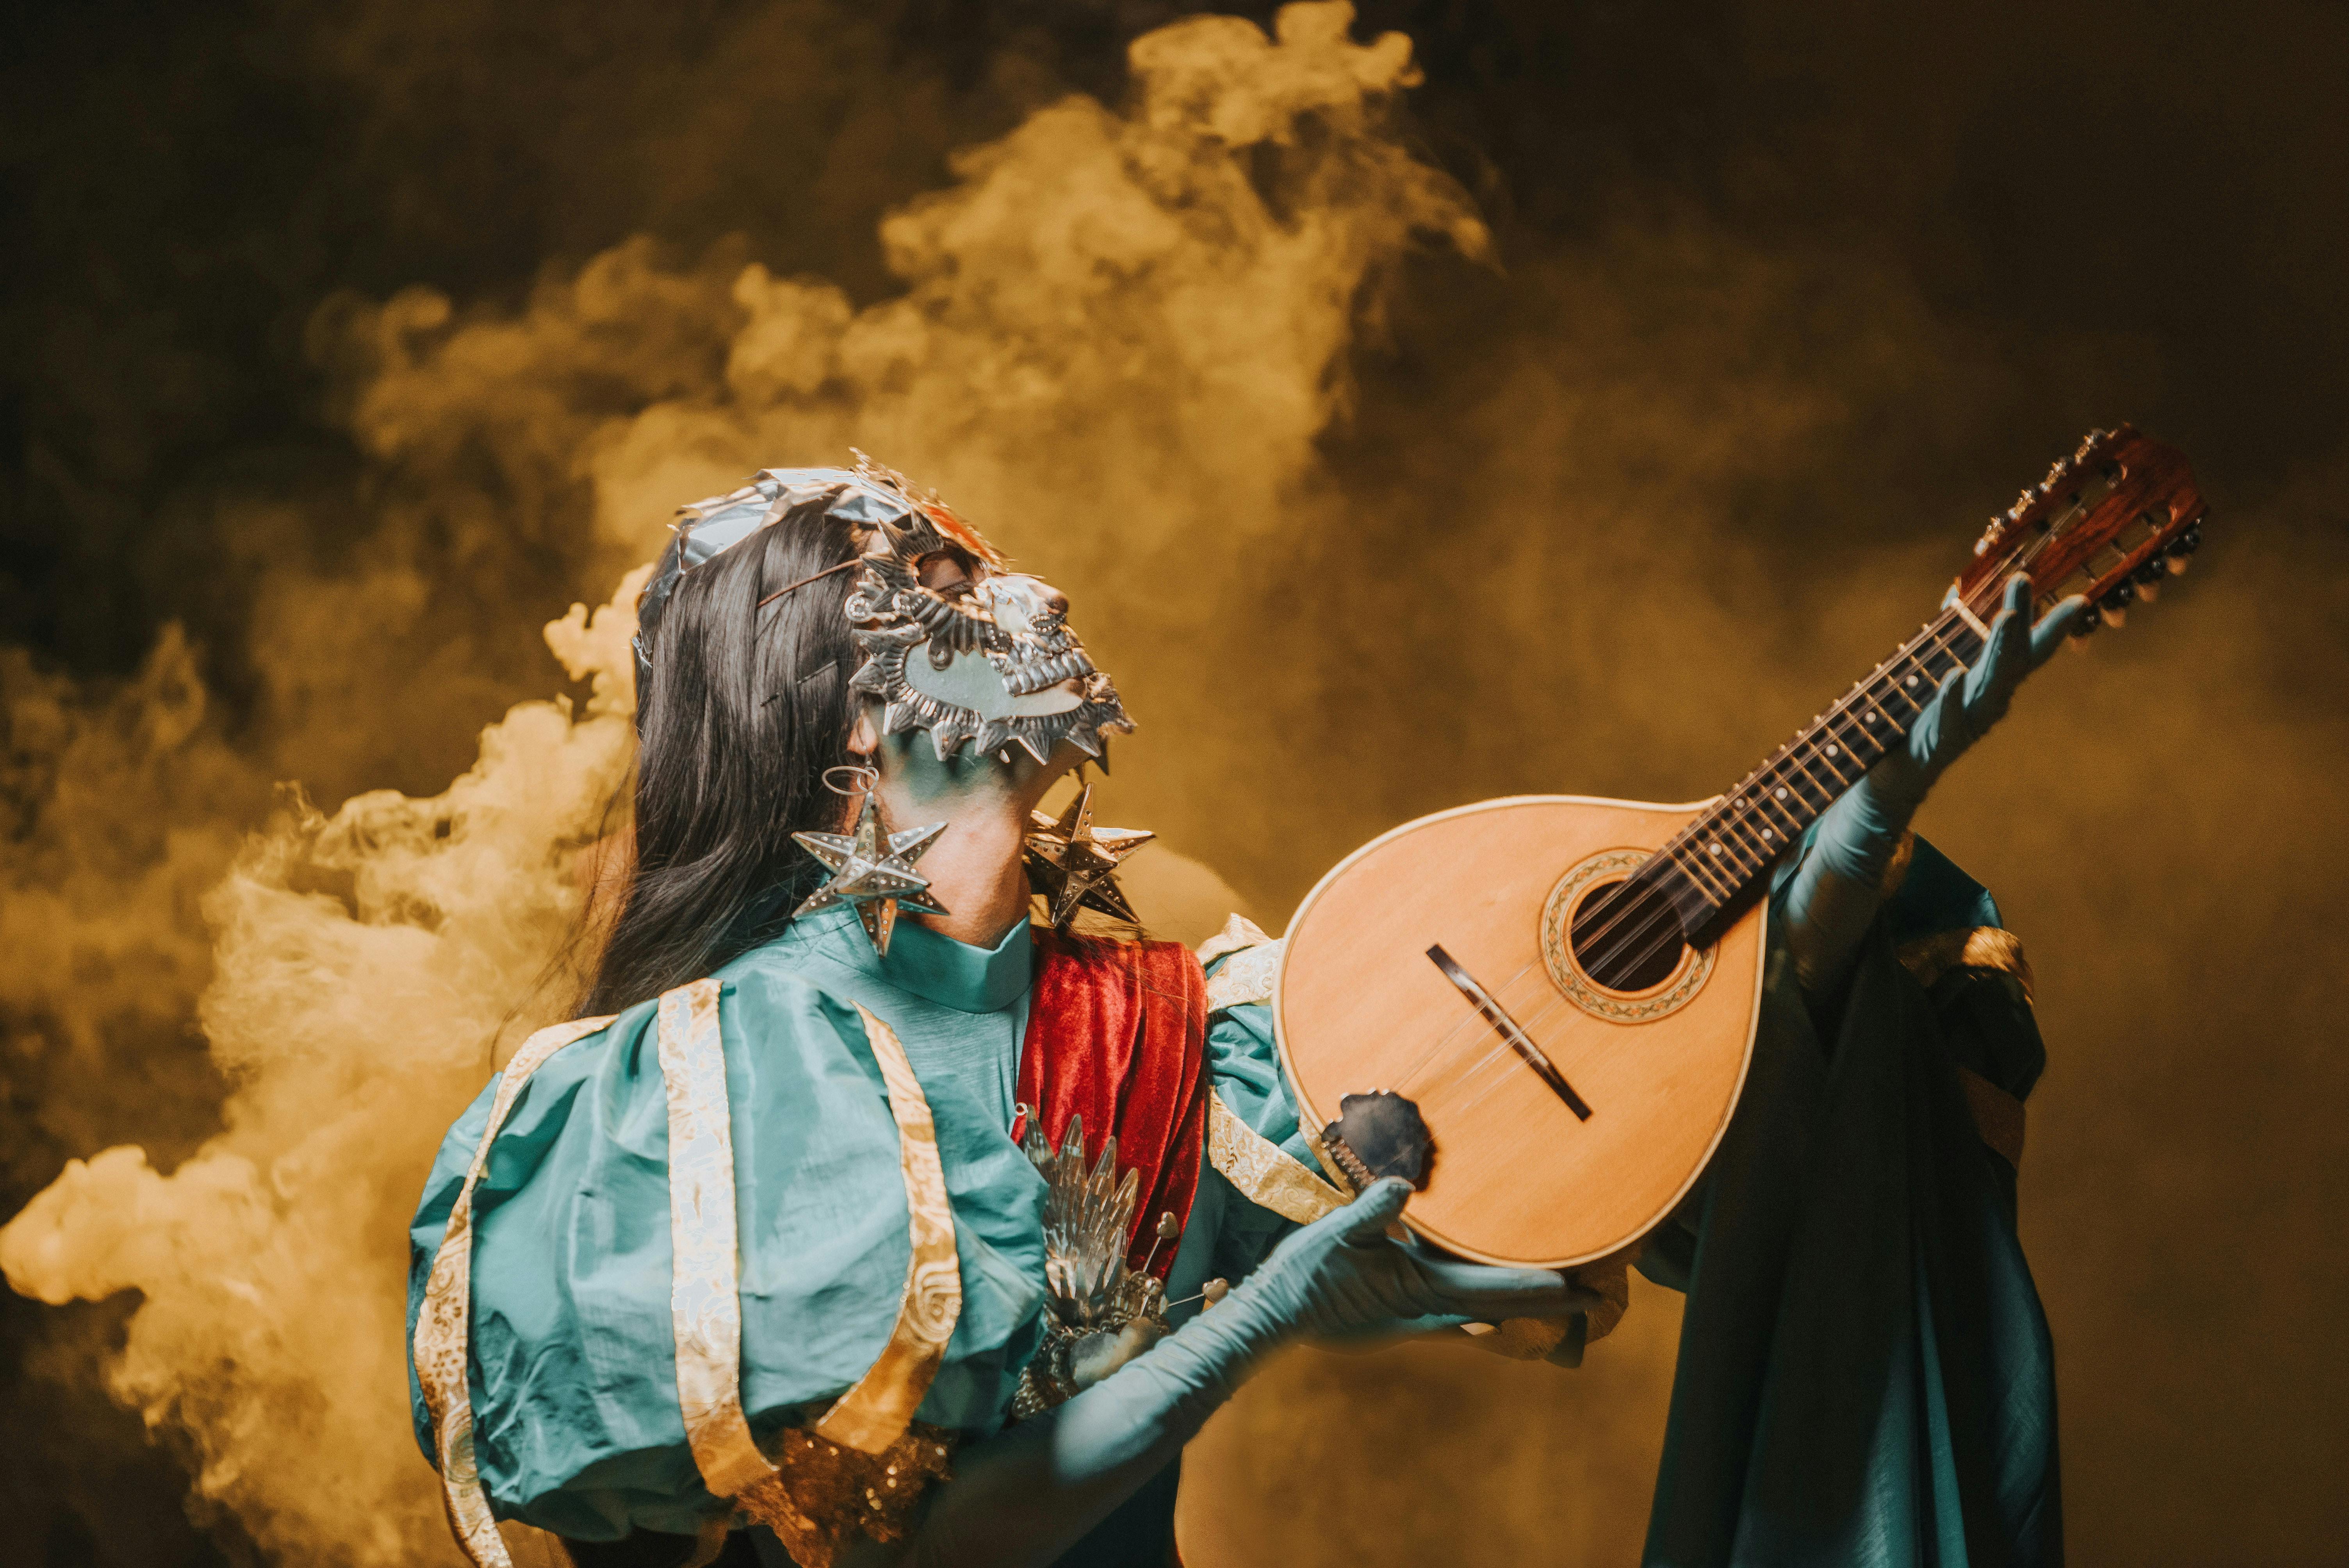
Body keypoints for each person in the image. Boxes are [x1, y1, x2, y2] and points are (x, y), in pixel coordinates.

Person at [408, 458, 2076, 1568]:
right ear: (831, 690)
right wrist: (1255, 1314)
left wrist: (1835, 872)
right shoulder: (683, 1097)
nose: (1026, 585)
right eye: (937, 573)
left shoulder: (1174, 1022)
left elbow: (1621, 1109)